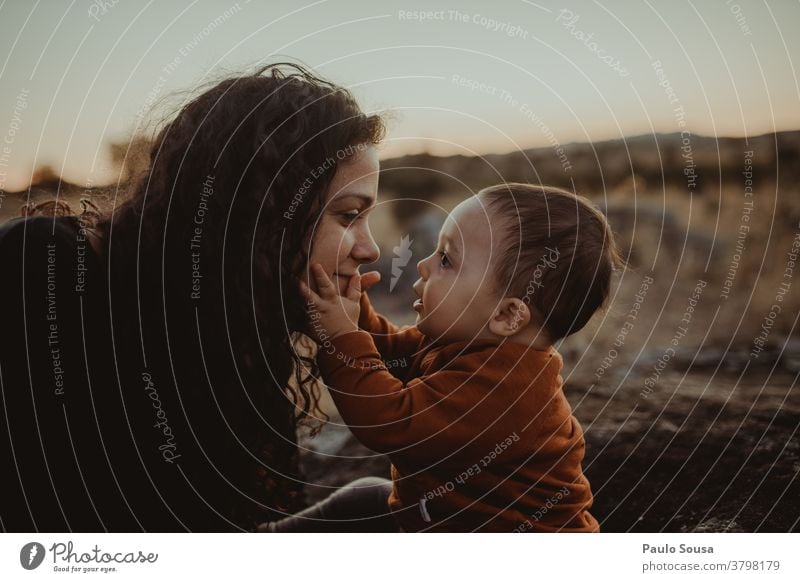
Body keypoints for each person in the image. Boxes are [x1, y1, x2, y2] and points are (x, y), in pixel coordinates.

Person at [0, 63, 386, 531]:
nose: (370, 249)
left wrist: (346, 343)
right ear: (264, 212)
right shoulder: (45, 265)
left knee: (377, 504)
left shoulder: (238, 324)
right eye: (349, 216)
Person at [286, 183, 621, 532]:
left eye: (446, 259)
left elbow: (390, 420)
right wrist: (350, 312)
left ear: (508, 315)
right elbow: (394, 350)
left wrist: (340, 337)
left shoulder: (504, 391)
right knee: (367, 496)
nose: (424, 265)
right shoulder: (464, 341)